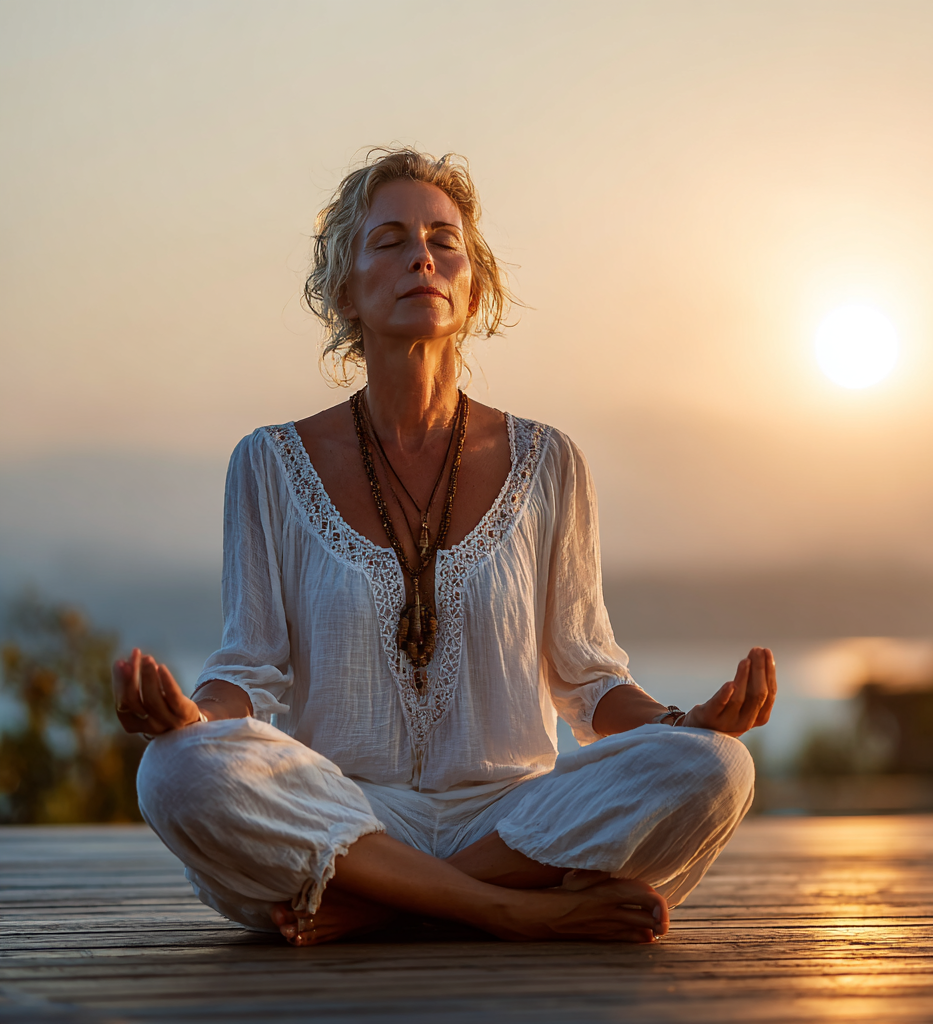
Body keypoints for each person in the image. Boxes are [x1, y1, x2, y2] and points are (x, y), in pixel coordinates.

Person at [112, 148, 775, 946]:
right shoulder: (267, 463)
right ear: (344, 290)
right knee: (176, 770)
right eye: (388, 241)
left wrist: (684, 722)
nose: (421, 255)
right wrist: (190, 717)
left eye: (443, 240)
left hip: (512, 816)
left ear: (474, 287)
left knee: (716, 768)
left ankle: (378, 903)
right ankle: (510, 909)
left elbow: (590, 680)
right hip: (349, 813)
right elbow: (249, 669)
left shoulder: (549, 461)